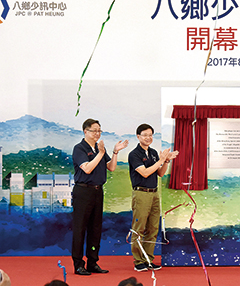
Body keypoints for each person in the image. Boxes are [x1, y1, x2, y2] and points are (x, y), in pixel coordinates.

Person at [72, 118, 129, 275]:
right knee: (80, 229)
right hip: (83, 192)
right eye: (94, 130)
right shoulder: (79, 148)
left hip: (98, 191)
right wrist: (101, 153)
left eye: (99, 130)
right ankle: (78, 264)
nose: (97, 133)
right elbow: (87, 169)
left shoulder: (99, 148)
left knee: (95, 229)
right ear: (85, 131)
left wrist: (115, 152)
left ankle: (92, 262)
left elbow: (111, 167)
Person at [128, 124, 178, 272]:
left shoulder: (154, 152)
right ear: (138, 136)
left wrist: (166, 161)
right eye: (145, 135)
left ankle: (148, 259)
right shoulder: (134, 154)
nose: (148, 138)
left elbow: (160, 173)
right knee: (139, 228)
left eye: (151, 135)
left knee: (153, 228)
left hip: (154, 193)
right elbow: (145, 173)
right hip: (141, 193)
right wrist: (160, 160)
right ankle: (138, 261)